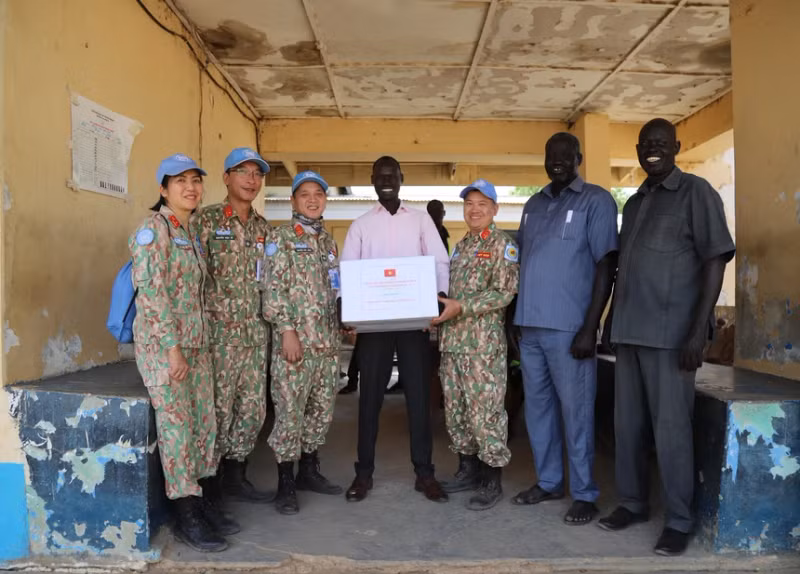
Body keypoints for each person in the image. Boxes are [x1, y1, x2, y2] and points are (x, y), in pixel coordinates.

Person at [599, 118, 735, 556]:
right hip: (630, 331)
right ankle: (633, 503)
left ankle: (678, 520)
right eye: (645, 144)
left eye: (661, 143)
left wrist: (698, 330)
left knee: (672, 430)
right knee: (628, 426)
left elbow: (715, 260)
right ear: (638, 150)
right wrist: (610, 321)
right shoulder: (635, 202)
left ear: (676, 147)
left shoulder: (697, 192)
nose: (652, 149)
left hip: (672, 335)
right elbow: (625, 269)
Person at [512, 133, 618, 525]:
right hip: (530, 327)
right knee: (538, 410)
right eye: (550, 153)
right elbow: (523, 261)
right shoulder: (533, 205)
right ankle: (550, 481)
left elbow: (606, 265)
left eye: (565, 154)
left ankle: (585, 493)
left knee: (577, 413)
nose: (557, 160)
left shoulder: (596, 200)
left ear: (578, 158)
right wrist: (515, 320)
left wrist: (591, 327)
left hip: (571, 329)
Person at [129, 154, 227, 552]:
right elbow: (152, 296)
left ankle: (199, 501)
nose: (190, 187)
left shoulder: (189, 232)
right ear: (163, 189)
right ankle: (185, 514)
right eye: (180, 181)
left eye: (195, 180)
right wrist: (172, 350)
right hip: (165, 349)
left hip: (195, 346)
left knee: (203, 424)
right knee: (177, 430)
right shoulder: (153, 230)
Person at [341, 156, 450, 503]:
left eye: (392, 175)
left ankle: (425, 474)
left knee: (418, 399)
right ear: (372, 179)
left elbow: (439, 261)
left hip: (414, 323)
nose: (387, 181)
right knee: (369, 400)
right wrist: (346, 307)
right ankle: (363, 474)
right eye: (381, 176)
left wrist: (439, 298)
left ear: (402, 178)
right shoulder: (361, 225)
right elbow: (348, 270)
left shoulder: (420, 220)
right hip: (374, 326)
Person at [433, 179, 519, 510]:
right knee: (457, 412)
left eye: (482, 204)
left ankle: (491, 479)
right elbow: (451, 294)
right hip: (453, 344)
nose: (475, 209)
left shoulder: (502, 245)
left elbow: (504, 293)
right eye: (469, 203)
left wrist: (461, 307)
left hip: (483, 349)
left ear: (495, 209)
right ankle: (467, 470)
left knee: (486, 415)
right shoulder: (462, 246)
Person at [194, 147, 273, 509]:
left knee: (252, 411)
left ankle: (236, 477)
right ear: (226, 178)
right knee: (217, 412)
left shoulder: (265, 229)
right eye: (243, 172)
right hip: (218, 339)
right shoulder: (205, 221)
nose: (251, 180)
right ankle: (210, 489)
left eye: (257, 174)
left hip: (256, 337)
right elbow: (192, 279)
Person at [262, 171, 344, 514]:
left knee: (320, 412)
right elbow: (272, 289)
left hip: (327, 343)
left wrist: (346, 318)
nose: (312, 200)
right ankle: (286, 484)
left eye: (319, 194)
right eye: (305, 194)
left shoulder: (328, 242)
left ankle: (309, 471)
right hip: (295, 344)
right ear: (293, 200)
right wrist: (287, 331)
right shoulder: (280, 238)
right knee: (290, 413)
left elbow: (335, 288)